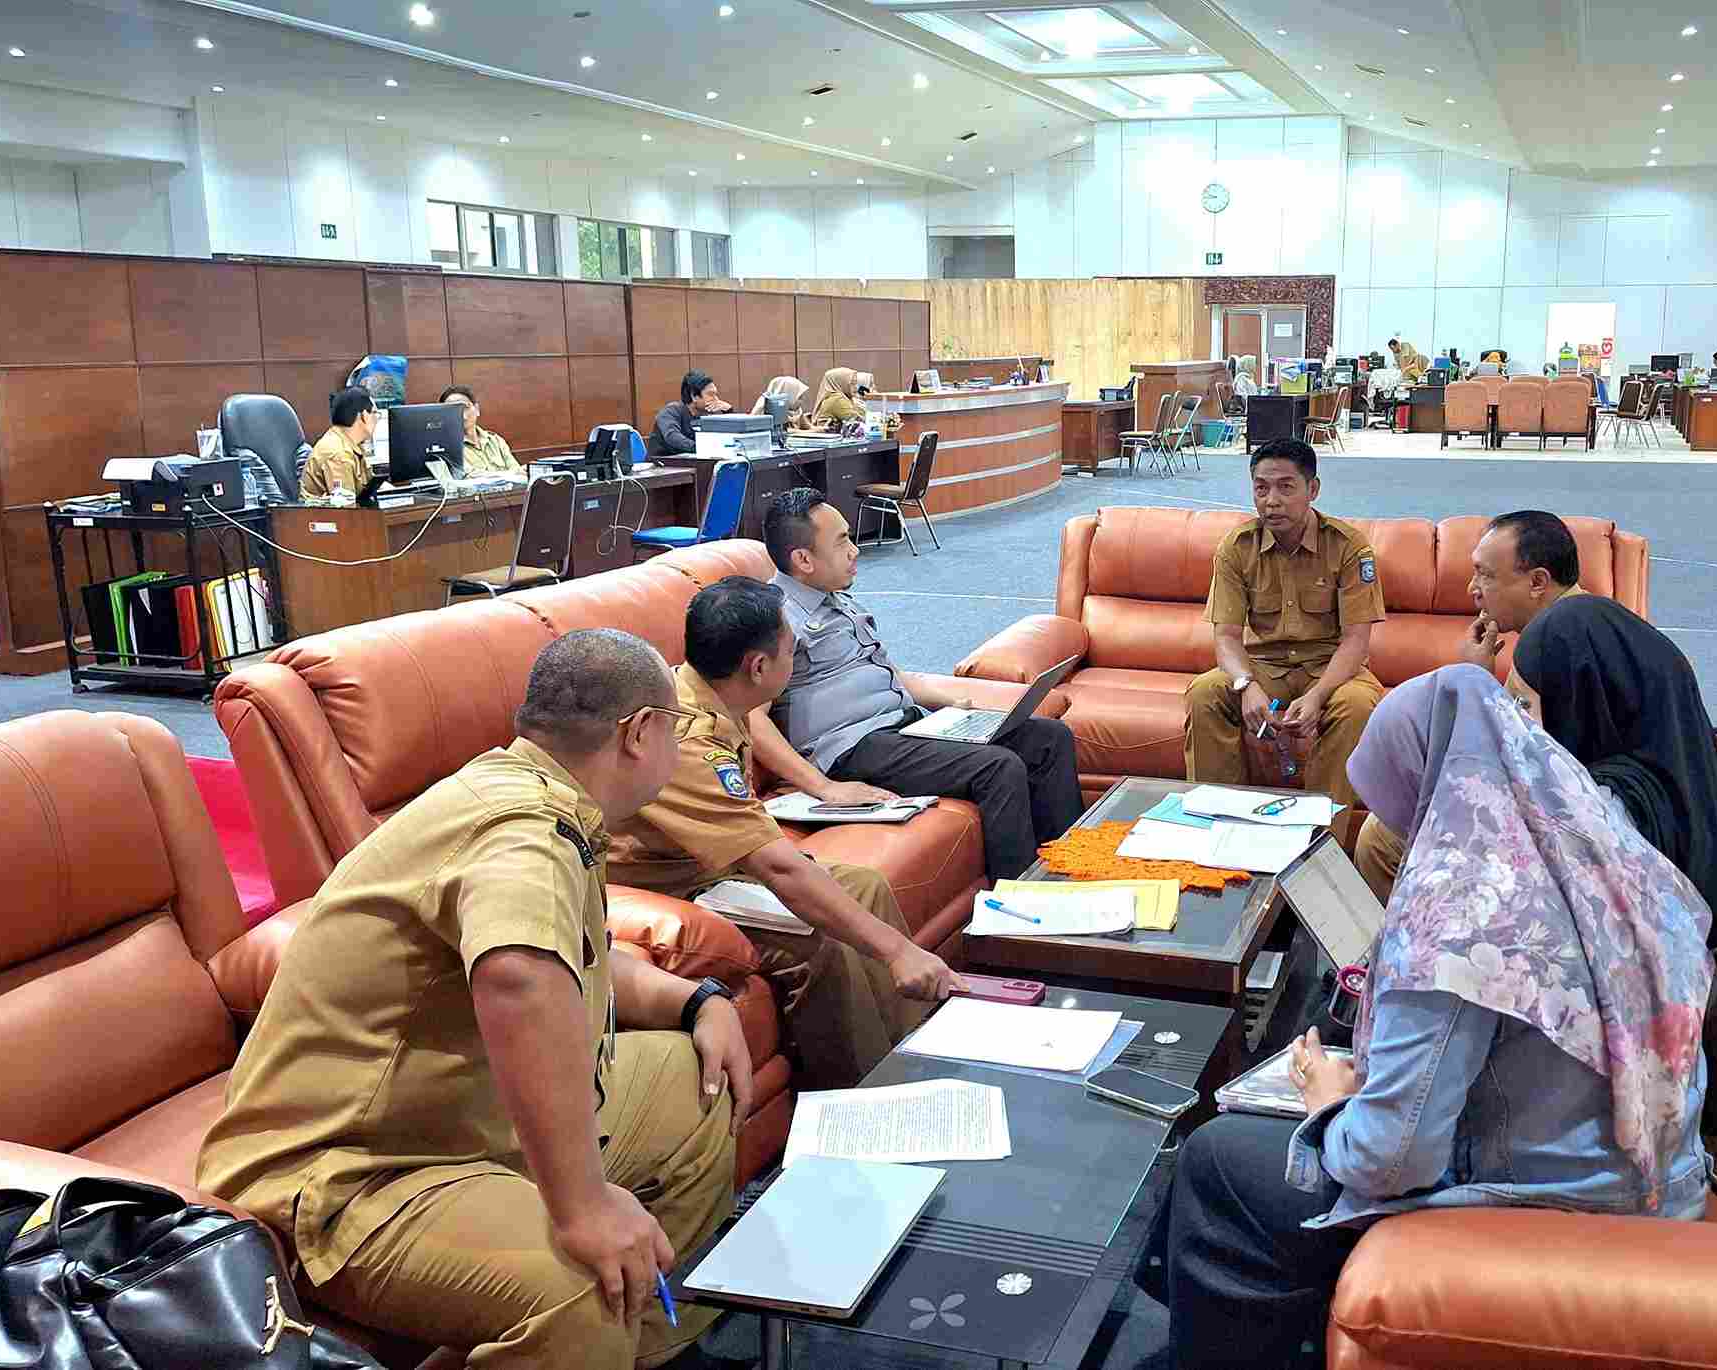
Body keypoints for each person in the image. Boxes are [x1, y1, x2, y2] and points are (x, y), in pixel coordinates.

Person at [1136, 666, 1713, 1370]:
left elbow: (1392, 1160)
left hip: (1553, 1207)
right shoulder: (1600, 842)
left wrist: (1328, 1108)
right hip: (1661, 1179)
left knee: (1218, 1156)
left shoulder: (1456, 909)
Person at [199, 629, 747, 1370]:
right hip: (352, 1173)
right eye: (674, 729)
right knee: (574, 1286)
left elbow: (578, 960)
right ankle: (590, 1333)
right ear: (640, 731)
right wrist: (583, 1206)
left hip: (462, 1123)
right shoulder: (520, 831)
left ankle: (645, 1349)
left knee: (696, 1083)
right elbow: (518, 978)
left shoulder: (535, 798)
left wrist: (699, 1001)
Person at [604, 577, 961, 1089]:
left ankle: (913, 1058)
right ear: (758, 667)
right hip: (668, 886)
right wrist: (898, 952)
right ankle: (860, 1098)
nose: (796, 661)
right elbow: (777, 866)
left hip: (711, 862)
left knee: (864, 885)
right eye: (792, 651)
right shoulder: (686, 741)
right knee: (819, 942)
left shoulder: (711, 694)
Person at [751, 489, 1084, 883]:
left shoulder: (839, 601)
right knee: (999, 767)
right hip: (853, 749)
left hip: (902, 728)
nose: (855, 551)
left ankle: (1070, 873)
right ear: (803, 560)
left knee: (1049, 738)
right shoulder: (774, 619)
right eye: (841, 542)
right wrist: (824, 788)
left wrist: (959, 703)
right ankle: (1014, 905)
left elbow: (892, 675)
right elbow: (753, 719)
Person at [1513, 593, 1717, 949]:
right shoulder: (1678, 748)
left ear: (1572, 691)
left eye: (1527, 703)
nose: (1522, 720)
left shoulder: (1605, 807)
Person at [1351, 510, 1583, 898]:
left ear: (1538, 582)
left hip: (1563, 822)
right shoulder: (1575, 620)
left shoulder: (1550, 644)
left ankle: (1426, 932)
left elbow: (1517, 758)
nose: (1471, 589)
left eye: (1485, 575)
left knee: (1380, 840)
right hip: (1570, 803)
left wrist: (1475, 680)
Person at [1185, 439, 1386, 808]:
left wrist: (1318, 695)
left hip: (1330, 668)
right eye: (1261, 488)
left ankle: (1320, 831)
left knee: (1357, 705)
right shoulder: (1237, 547)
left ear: (1313, 489)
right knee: (1205, 692)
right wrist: (1245, 684)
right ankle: (1220, 818)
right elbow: (1226, 636)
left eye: (1285, 487)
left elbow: (1356, 641)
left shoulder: (1348, 547)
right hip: (1263, 667)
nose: (1271, 501)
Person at [299, 384, 375, 500]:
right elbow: (346, 506)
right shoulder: (338, 454)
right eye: (374, 413)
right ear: (364, 416)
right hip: (324, 512)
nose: (377, 419)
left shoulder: (350, 443)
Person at [442, 383, 522, 478]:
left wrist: (518, 472)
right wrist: (509, 474)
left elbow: (518, 473)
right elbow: (468, 476)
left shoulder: (495, 440)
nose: (462, 415)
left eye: (465, 408)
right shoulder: (446, 448)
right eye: (453, 410)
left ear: (477, 409)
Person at [647, 370, 732, 456]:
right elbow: (672, 437)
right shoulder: (670, 411)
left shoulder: (708, 414)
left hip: (695, 460)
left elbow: (727, 440)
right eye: (711, 394)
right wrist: (702, 448)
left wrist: (728, 411)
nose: (716, 399)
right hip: (663, 461)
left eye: (716, 394)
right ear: (694, 396)